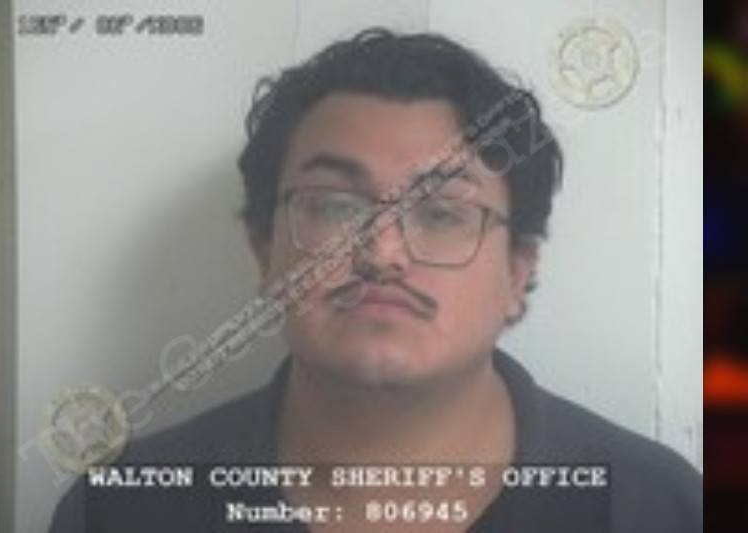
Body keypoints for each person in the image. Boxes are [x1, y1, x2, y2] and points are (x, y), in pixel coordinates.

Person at [50, 28, 701, 532]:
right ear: (264, 250)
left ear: (518, 271)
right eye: (335, 206)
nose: (382, 253)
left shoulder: (655, 506)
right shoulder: (122, 509)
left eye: (442, 213)